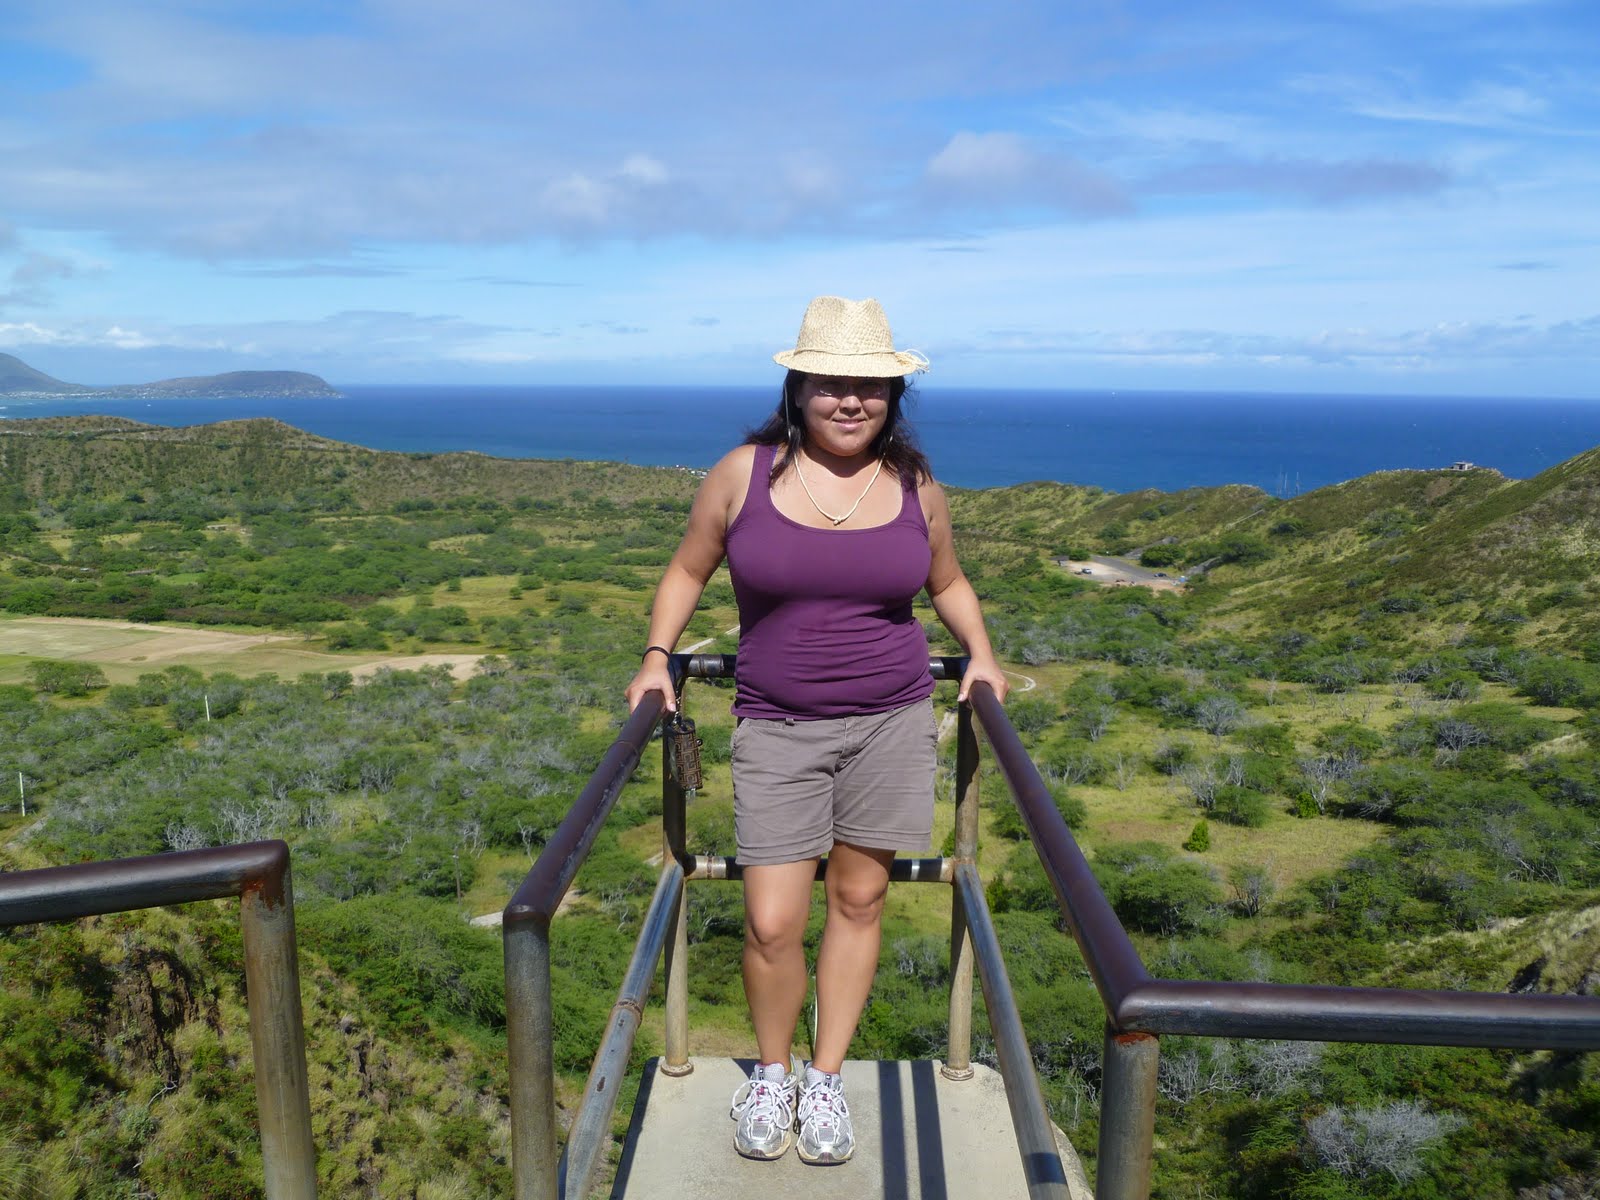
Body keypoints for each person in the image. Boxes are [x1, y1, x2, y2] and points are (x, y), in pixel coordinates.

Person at [624, 295, 1009, 1165]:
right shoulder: (743, 473)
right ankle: (772, 1071)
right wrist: (659, 656)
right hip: (777, 726)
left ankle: (825, 1079)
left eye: (869, 387)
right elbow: (689, 567)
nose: (850, 401)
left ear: (892, 398)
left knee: (861, 900)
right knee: (769, 920)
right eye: (831, 384)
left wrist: (978, 653)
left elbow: (947, 582)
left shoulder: (916, 487)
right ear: (797, 390)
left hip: (891, 722)